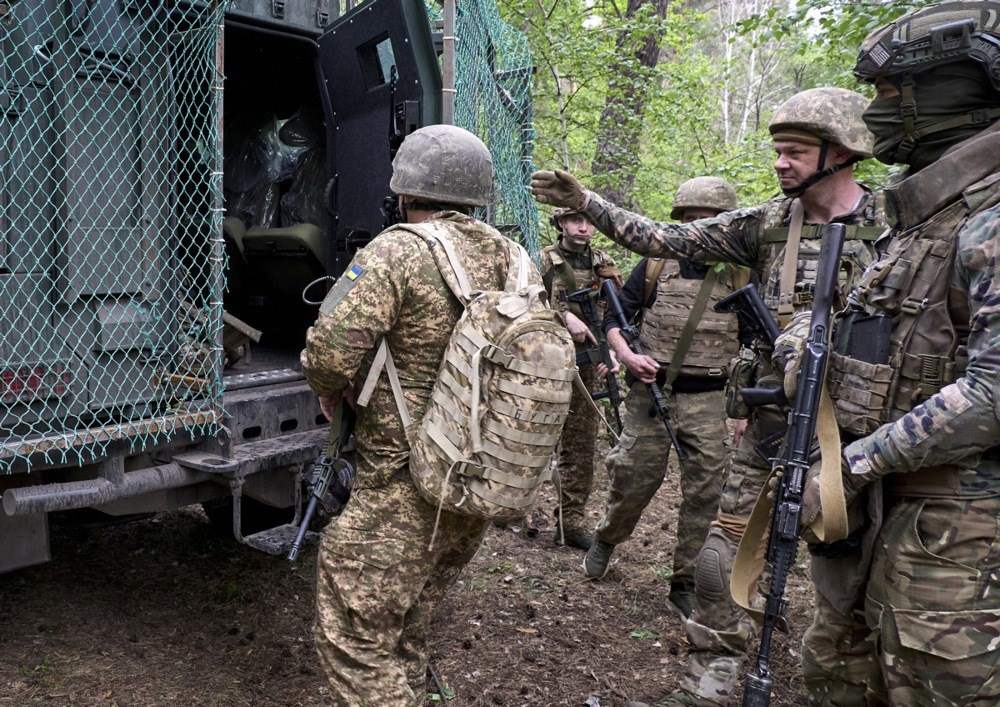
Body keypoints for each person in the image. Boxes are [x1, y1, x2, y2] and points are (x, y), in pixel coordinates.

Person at [532, 87, 885, 706]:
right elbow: (664, 239)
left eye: (794, 152)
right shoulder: (767, 224)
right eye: (777, 151)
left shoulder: (897, 228)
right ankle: (711, 682)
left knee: (856, 573)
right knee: (721, 556)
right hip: (776, 417)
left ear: (842, 153)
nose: (780, 163)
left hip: (863, 433)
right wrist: (587, 202)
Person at [797, 3, 1000, 703]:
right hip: (879, 524)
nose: (872, 113)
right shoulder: (928, 210)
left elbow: (994, 393)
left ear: (948, 95)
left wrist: (855, 462)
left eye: (885, 95)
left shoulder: (990, 215)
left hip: (962, 551)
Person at [301, 124, 543, 706]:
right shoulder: (518, 261)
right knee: (408, 621)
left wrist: (327, 388)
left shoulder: (398, 249)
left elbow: (330, 351)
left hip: (401, 481)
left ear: (406, 191)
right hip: (480, 479)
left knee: (354, 634)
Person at [584, 177, 741, 623]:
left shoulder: (743, 272)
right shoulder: (655, 265)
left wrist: (745, 409)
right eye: (689, 221)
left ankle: (685, 583)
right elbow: (615, 318)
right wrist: (628, 356)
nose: (696, 230)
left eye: (706, 221)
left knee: (707, 492)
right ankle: (608, 537)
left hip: (710, 397)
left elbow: (755, 343)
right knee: (634, 476)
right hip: (653, 392)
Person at [541, 208, 622, 550]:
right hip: (545, 358)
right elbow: (524, 302)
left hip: (589, 361)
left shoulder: (604, 262)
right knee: (534, 433)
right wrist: (561, 317)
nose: (583, 227)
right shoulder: (545, 260)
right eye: (575, 220)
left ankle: (570, 520)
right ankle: (513, 509)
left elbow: (618, 310)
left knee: (581, 441)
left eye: (588, 220)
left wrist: (614, 351)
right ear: (560, 223)